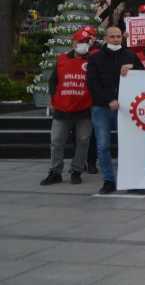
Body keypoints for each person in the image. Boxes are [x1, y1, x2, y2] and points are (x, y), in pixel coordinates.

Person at [86, 26, 144, 194]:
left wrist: (132, 70)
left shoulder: (130, 56)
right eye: (112, 37)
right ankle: (108, 181)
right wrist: (108, 100)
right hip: (101, 108)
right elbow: (92, 83)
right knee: (103, 146)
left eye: (118, 36)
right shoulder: (95, 58)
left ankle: (130, 181)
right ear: (106, 38)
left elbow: (144, 75)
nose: (116, 39)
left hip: (126, 108)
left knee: (127, 145)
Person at [41, 28, 94, 187]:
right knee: (56, 141)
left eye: (86, 42)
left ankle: (76, 171)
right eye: (80, 42)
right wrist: (52, 98)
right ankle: (55, 172)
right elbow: (53, 81)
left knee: (83, 141)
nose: (83, 45)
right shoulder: (62, 59)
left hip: (84, 109)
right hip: (62, 109)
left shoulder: (93, 60)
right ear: (73, 43)